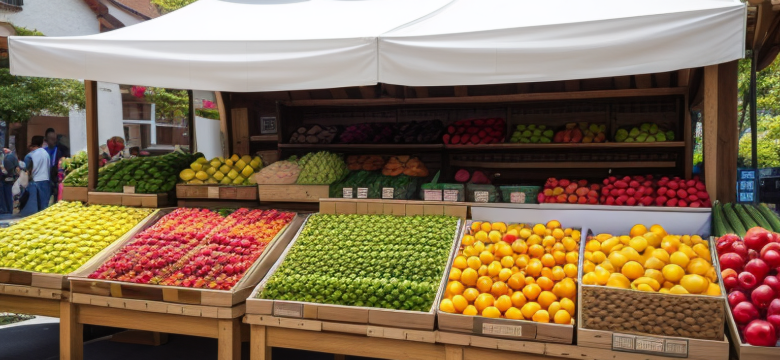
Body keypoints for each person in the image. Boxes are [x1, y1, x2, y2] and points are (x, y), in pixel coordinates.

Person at [23, 136, 51, 214]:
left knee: (35, 207)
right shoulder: (46, 153)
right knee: (44, 206)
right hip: (45, 180)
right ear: (41, 143)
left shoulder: (30, 155)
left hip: (35, 181)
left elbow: (26, 169)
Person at [44, 128, 69, 203]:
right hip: (46, 178)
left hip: (56, 178)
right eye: (51, 139)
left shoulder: (60, 150)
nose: (54, 141)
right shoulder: (44, 151)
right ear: (46, 140)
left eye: (54, 139)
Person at [1, 146, 19, 214]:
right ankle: (8, 210)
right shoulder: (12, 156)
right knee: (8, 195)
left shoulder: (8, 158)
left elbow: (8, 170)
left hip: (6, 179)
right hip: (9, 179)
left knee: (6, 195)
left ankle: (6, 210)